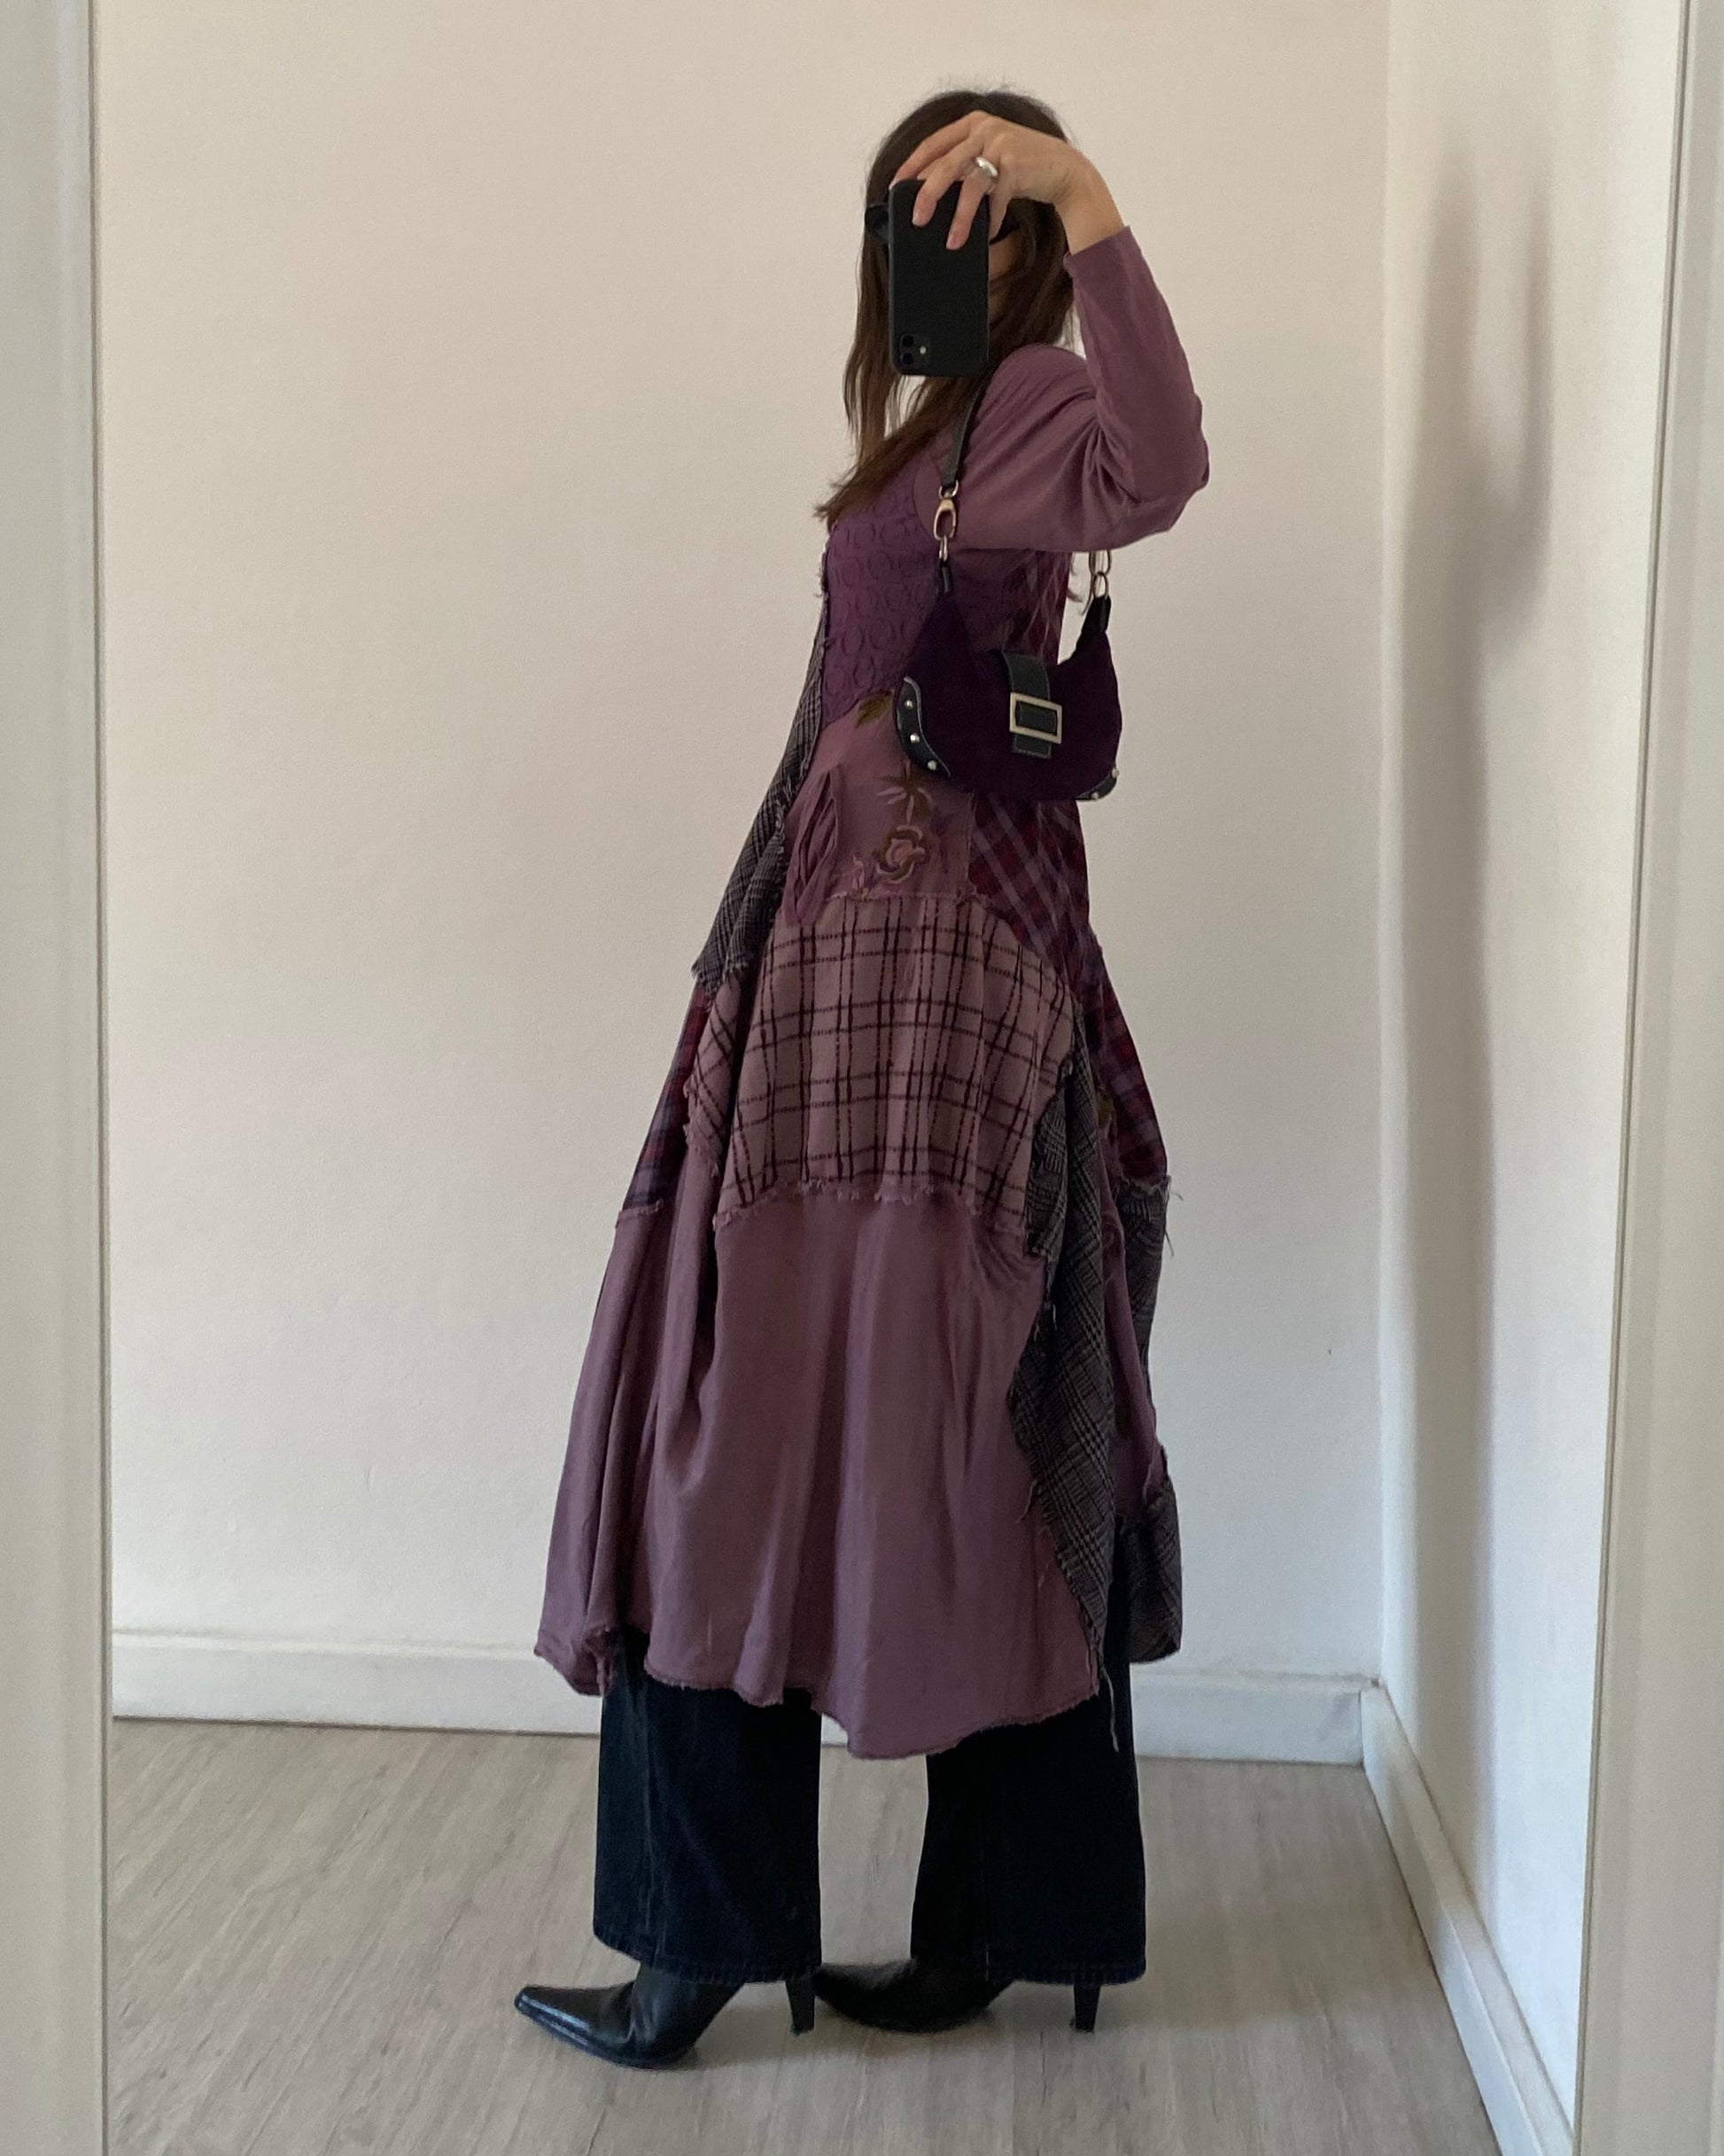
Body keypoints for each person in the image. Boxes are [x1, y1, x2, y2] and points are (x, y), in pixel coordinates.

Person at [516, 86, 1208, 2070]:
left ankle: (812, 1938)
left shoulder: (1040, 403)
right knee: (763, 1444)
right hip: (837, 1006)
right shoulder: (932, 431)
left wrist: (1088, 200)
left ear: (1022, 243)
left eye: (970, 215)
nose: (928, 252)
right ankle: (873, 1926)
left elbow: (1166, 463)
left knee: (871, 1441)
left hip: (935, 1022)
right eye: (909, 215)